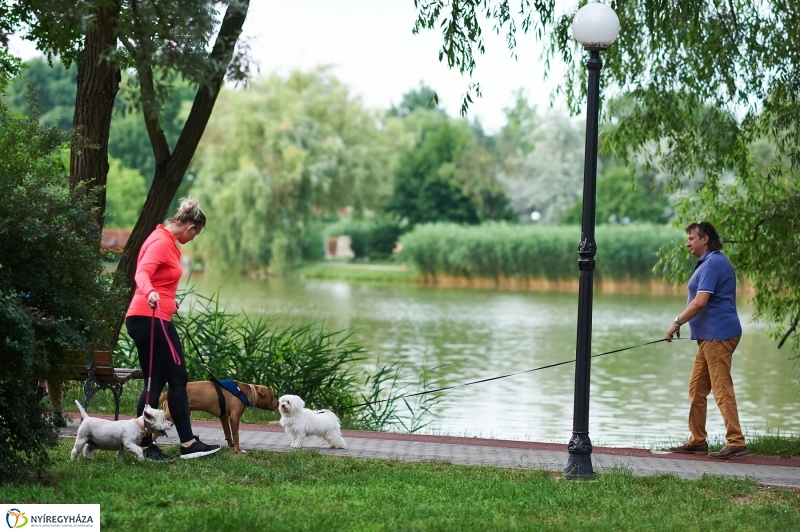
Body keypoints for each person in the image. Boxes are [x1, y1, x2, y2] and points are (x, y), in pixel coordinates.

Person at [125, 198, 221, 461]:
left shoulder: (165, 241)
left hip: (156, 316)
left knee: (172, 379)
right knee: (163, 379)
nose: (193, 239)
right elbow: (142, 274)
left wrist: (167, 299)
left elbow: (161, 279)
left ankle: (183, 443)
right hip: (148, 317)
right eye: (196, 234)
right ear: (191, 227)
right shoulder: (160, 242)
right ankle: (148, 444)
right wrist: (152, 292)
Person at [665, 221, 746, 459]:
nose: (688, 242)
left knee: (722, 389)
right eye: (688, 238)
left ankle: (736, 441)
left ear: (705, 239)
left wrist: (677, 322)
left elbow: (700, 302)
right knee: (697, 390)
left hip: (717, 335)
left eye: (692, 238)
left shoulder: (712, 264)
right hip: (708, 337)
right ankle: (697, 441)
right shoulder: (708, 263)